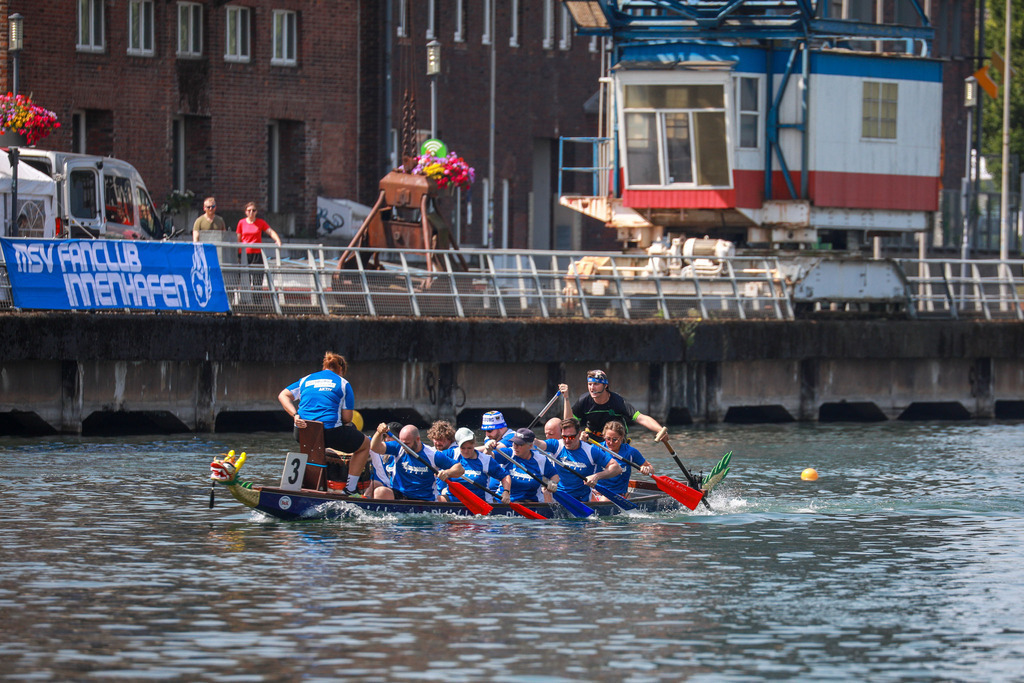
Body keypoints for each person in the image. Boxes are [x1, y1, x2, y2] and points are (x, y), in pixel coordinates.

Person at [277, 351, 370, 497]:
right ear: (341, 370)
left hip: (301, 431)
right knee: (364, 445)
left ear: (324, 367)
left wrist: (295, 415)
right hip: (330, 433)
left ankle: (307, 484)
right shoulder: (343, 383)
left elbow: (283, 395)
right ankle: (350, 489)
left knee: (319, 443)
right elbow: (347, 418)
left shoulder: (306, 380)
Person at [560, 370, 669, 442]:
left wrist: (660, 430)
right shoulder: (584, 400)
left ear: (605, 385)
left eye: (596, 384)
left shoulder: (617, 401)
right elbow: (569, 422)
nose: (592, 388)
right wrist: (566, 398)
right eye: (590, 384)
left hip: (616, 440)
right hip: (592, 439)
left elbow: (640, 418)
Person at [369, 423, 464, 501]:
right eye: (402, 442)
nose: (403, 446)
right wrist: (379, 433)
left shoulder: (432, 455)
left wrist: (447, 473)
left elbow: (459, 468)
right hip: (399, 495)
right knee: (380, 492)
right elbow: (375, 447)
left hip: (422, 498)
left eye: (407, 444)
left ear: (418, 439)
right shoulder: (398, 447)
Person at [534, 418, 620, 503]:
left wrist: (596, 476)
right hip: (558, 497)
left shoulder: (590, 451)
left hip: (581, 501)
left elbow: (617, 468)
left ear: (579, 434)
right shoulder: (556, 445)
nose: (567, 441)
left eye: (571, 437)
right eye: (564, 437)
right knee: (544, 490)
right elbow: (539, 443)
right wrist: (527, 438)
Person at [487, 428, 559, 504]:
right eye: (514, 443)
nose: (515, 446)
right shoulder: (508, 453)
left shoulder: (541, 459)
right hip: (505, 502)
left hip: (531, 503)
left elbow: (555, 476)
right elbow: (488, 457)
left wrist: (553, 482)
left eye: (520, 444)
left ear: (530, 446)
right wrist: (488, 449)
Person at [437, 427, 507, 503]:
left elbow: (505, 476)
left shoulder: (485, 460)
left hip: (479, 502)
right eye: (463, 448)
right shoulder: (450, 454)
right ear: (458, 445)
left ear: (474, 444)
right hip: (453, 499)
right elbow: (432, 459)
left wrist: (506, 492)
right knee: (437, 499)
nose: (466, 451)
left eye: (469, 448)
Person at [596, 420, 653, 498]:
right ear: (603, 436)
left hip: (618, 494)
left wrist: (646, 469)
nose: (611, 443)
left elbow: (651, 469)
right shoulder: (597, 449)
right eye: (608, 439)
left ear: (622, 437)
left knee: (604, 499)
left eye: (615, 439)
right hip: (597, 492)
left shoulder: (630, 452)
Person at [236, 201, 282, 287]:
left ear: (256, 212)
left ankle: (257, 299)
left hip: (257, 253)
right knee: (245, 279)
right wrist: (236, 251)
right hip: (244, 254)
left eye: (254, 210)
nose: (251, 212)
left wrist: (278, 240)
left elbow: (270, 232)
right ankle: (245, 300)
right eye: (249, 210)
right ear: (245, 212)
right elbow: (238, 238)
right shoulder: (241, 222)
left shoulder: (260, 222)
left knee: (257, 279)